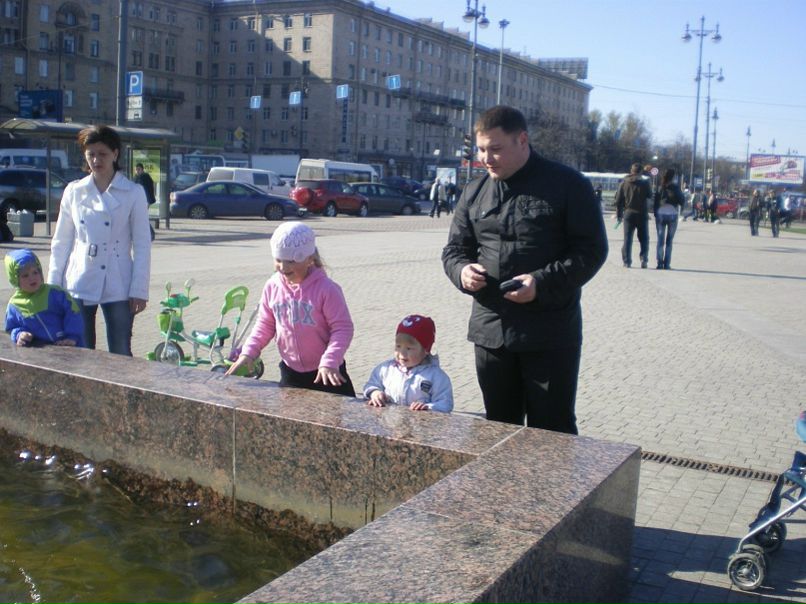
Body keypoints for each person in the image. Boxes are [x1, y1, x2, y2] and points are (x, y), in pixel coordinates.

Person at [441, 105, 607, 434]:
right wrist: (461, 272)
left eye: (496, 149)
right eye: (482, 149)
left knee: (552, 430)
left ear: (523, 140)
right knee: (499, 427)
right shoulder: (475, 190)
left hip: (549, 333)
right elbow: (454, 250)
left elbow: (591, 250)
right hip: (492, 333)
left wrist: (541, 284)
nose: (487, 158)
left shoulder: (567, 184)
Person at [48, 125, 151, 356]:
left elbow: (142, 244)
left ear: (115, 154)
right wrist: (53, 286)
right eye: (91, 154)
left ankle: (123, 392)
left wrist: (139, 289)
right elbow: (61, 241)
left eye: (102, 154)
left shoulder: (133, 192)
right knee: (81, 349)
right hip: (80, 278)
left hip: (119, 281)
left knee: (120, 350)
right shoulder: (74, 191)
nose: (96, 160)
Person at [225, 221, 356, 396]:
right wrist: (248, 353)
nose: (283, 267)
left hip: (327, 373)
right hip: (291, 373)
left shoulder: (327, 289)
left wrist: (330, 360)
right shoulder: (272, 286)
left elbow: (342, 328)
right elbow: (265, 325)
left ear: (310, 259)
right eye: (279, 260)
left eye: (291, 261)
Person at [363, 314, 453, 413]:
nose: (402, 353)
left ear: (426, 350)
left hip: (420, 425)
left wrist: (428, 407)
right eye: (398, 346)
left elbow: (446, 403)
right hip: (390, 423)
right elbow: (371, 385)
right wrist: (374, 392)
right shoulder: (385, 369)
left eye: (409, 348)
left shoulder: (436, 377)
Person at [5, 249, 84, 347]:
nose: (32, 278)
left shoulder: (55, 293)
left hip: (68, 346)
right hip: (40, 354)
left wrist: (72, 336)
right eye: (25, 276)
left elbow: (73, 313)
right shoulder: (14, 305)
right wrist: (19, 334)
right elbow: (11, 327)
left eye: (35, 272)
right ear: (15, 280)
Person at [614, 162, 652, 268]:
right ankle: (644, 259)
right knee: (644, 238)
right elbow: (650, 196)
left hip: (628, 213)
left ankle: (627, 261)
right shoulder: (645, 183)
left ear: (631, 171)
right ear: (640, 172)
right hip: (642, 213)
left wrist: (619, 216)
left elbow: (618, 201)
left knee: (627, 238)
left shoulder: (623, 183)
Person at [653, 168, 685, 270]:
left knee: (660, 241)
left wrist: (656, 214)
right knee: (669, 241)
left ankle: (659, 263)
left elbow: (655, 202)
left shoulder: (660, 188)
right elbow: (681, 200)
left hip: (661, 215)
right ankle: (667, 264)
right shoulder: (675, 188)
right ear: (673, 177)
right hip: (672, 214)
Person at [134, 162, 157, 241]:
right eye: (136, 170)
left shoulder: (144, 177)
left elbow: (147, 190)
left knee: (142, 217)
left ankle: (151, 233)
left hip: (144, 201)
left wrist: (147, 202)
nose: (137, 171)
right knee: (141, 217)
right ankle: (148, 233)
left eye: (138, 169)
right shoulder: (138, 177)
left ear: (142, 169)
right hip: (141, 200)